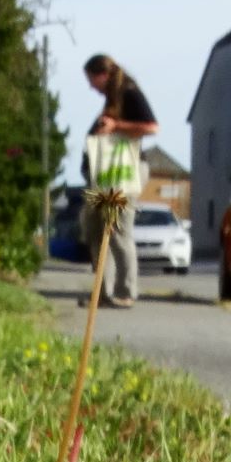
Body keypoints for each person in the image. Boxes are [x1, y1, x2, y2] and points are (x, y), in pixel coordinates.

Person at [81, 54, 158, 308]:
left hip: (125, 170)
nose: (91, 86)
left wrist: (115, 126)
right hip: (106, 171)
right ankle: (102, 292)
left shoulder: (129, 91)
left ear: (103, 74)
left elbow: (151, 127)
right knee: (94, 228)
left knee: (117, 230)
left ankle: (127, 291)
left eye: (92, 79)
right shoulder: (111, 97)